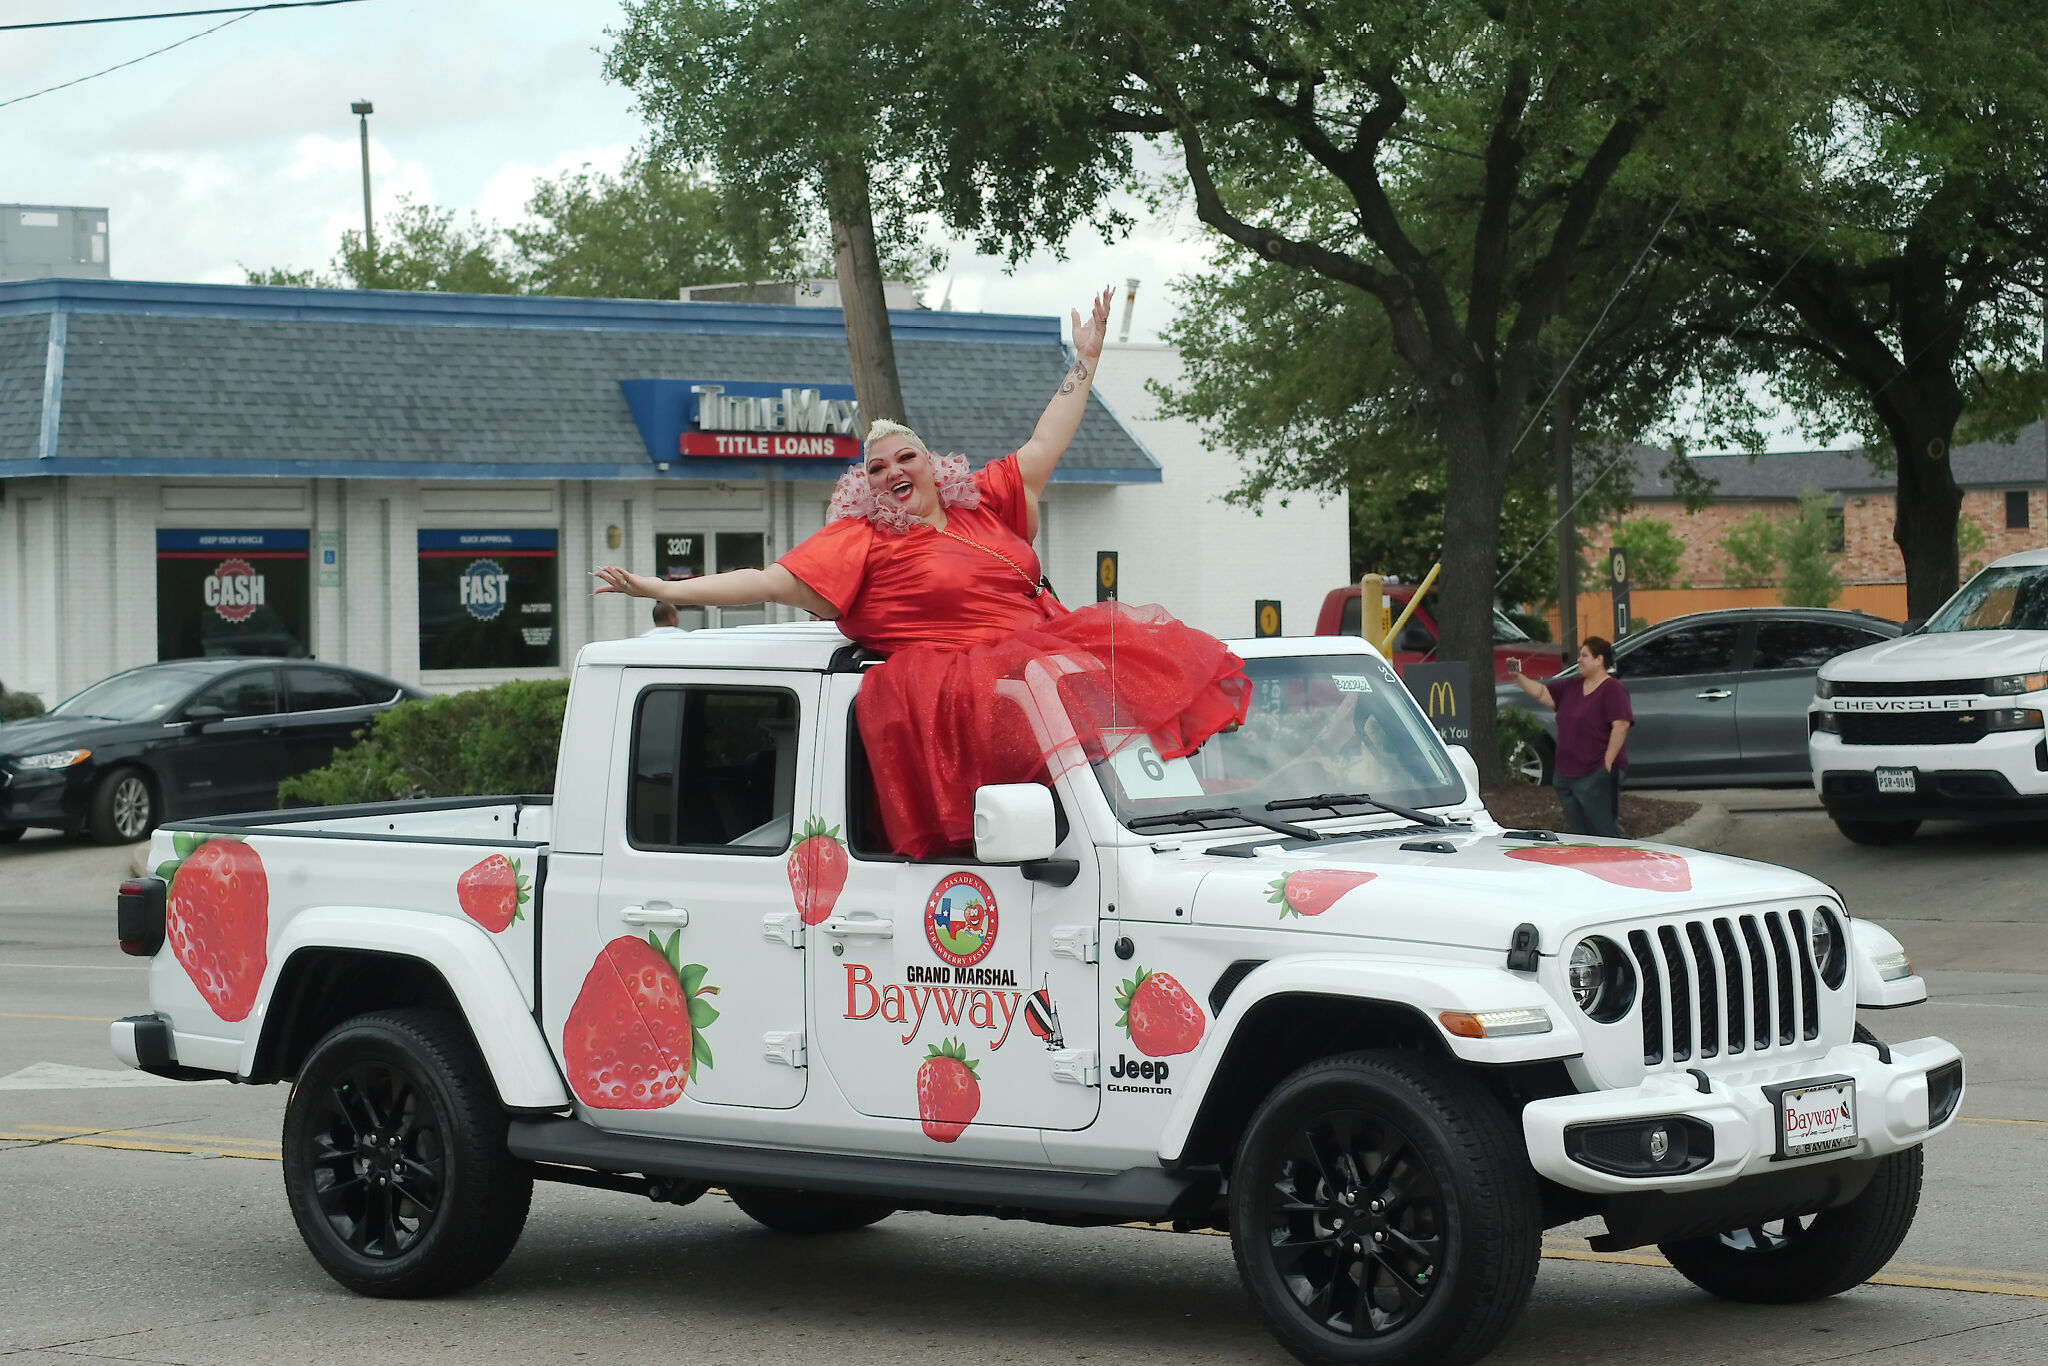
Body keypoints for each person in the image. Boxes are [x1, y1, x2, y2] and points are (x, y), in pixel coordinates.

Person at [594, 288, 1250, 859]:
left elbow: (1048, 440)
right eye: (876, 468)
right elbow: (766, 581)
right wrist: (662, 589)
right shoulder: (862, 540)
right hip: (958, 678)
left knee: (1108, 685)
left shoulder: (988, 502)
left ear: (933, 464)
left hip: (1044, 652)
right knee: (1032, 727)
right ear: (866, 484)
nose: (892, 472)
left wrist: (1087, 359)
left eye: (904, 457)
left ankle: (1145, 824)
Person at [1507, 636, 1633, 837]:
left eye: (1584, 655)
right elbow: (1541, 693)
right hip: (1566, 775)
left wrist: (1607, 762)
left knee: (1603, 832)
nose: (1579, 660)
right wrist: (1517, 676)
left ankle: (1610, 867)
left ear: (1599, 660)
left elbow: (1621, 725)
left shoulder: (1612, 689)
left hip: (1595, 773)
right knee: (1577, 833)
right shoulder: (1571, 687)